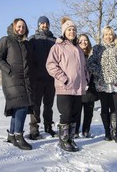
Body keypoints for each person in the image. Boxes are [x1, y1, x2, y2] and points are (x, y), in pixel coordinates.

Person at [46, 16, 88, 152]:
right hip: (65, 87)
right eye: (69, 29)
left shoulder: (79, 49)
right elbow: (51, 65)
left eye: (74, 30)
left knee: (75, 115)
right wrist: (63, 78)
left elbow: (84, 67)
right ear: (64, 32)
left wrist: (86, 79)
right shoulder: (58, 47)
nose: (72, 32)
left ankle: (71, 139)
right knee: (66, 114)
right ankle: (63, 140)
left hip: (78, 88)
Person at [0, 18, 34, 150]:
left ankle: (11, 135)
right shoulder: (6, 40)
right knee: (22, 106)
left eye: (23, 27)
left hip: (24, 80)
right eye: (19, 26)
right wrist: (9, 70)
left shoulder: (25, 43)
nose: (21, 29)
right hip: (11, 79)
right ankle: (19, 136)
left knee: (18, 106)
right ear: (14, 26)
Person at [88, 25, 117, 143]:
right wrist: (100, 72)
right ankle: (107, 132)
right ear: (103, 36)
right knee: (104, 108)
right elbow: (90, 63)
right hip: (102, 83)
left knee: (114, 108)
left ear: (113, 35)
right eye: (106, 34)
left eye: (110, 34)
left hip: (116, 83)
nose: (108, 37)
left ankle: (114, 132)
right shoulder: (97, 48)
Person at [28, 16, 57, 140]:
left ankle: (48, 126)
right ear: (38, 25)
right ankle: (34, 129)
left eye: (46, 23)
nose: (44, 25)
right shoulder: (33, 39)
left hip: (51, 79)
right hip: (37, 79)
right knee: (36, 105)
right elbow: (28, 58)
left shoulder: (55, 40)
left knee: (49, 105)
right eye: (42, 23)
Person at [75, 34, 99, 138]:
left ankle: (86, 130)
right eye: (81, 40)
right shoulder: (75, 53)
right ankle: (75, 131)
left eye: (85, 40)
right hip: (78, 87)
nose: (83, 42)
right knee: (77, 112)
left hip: (91, 87)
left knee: (89, 112)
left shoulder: (92, 54)